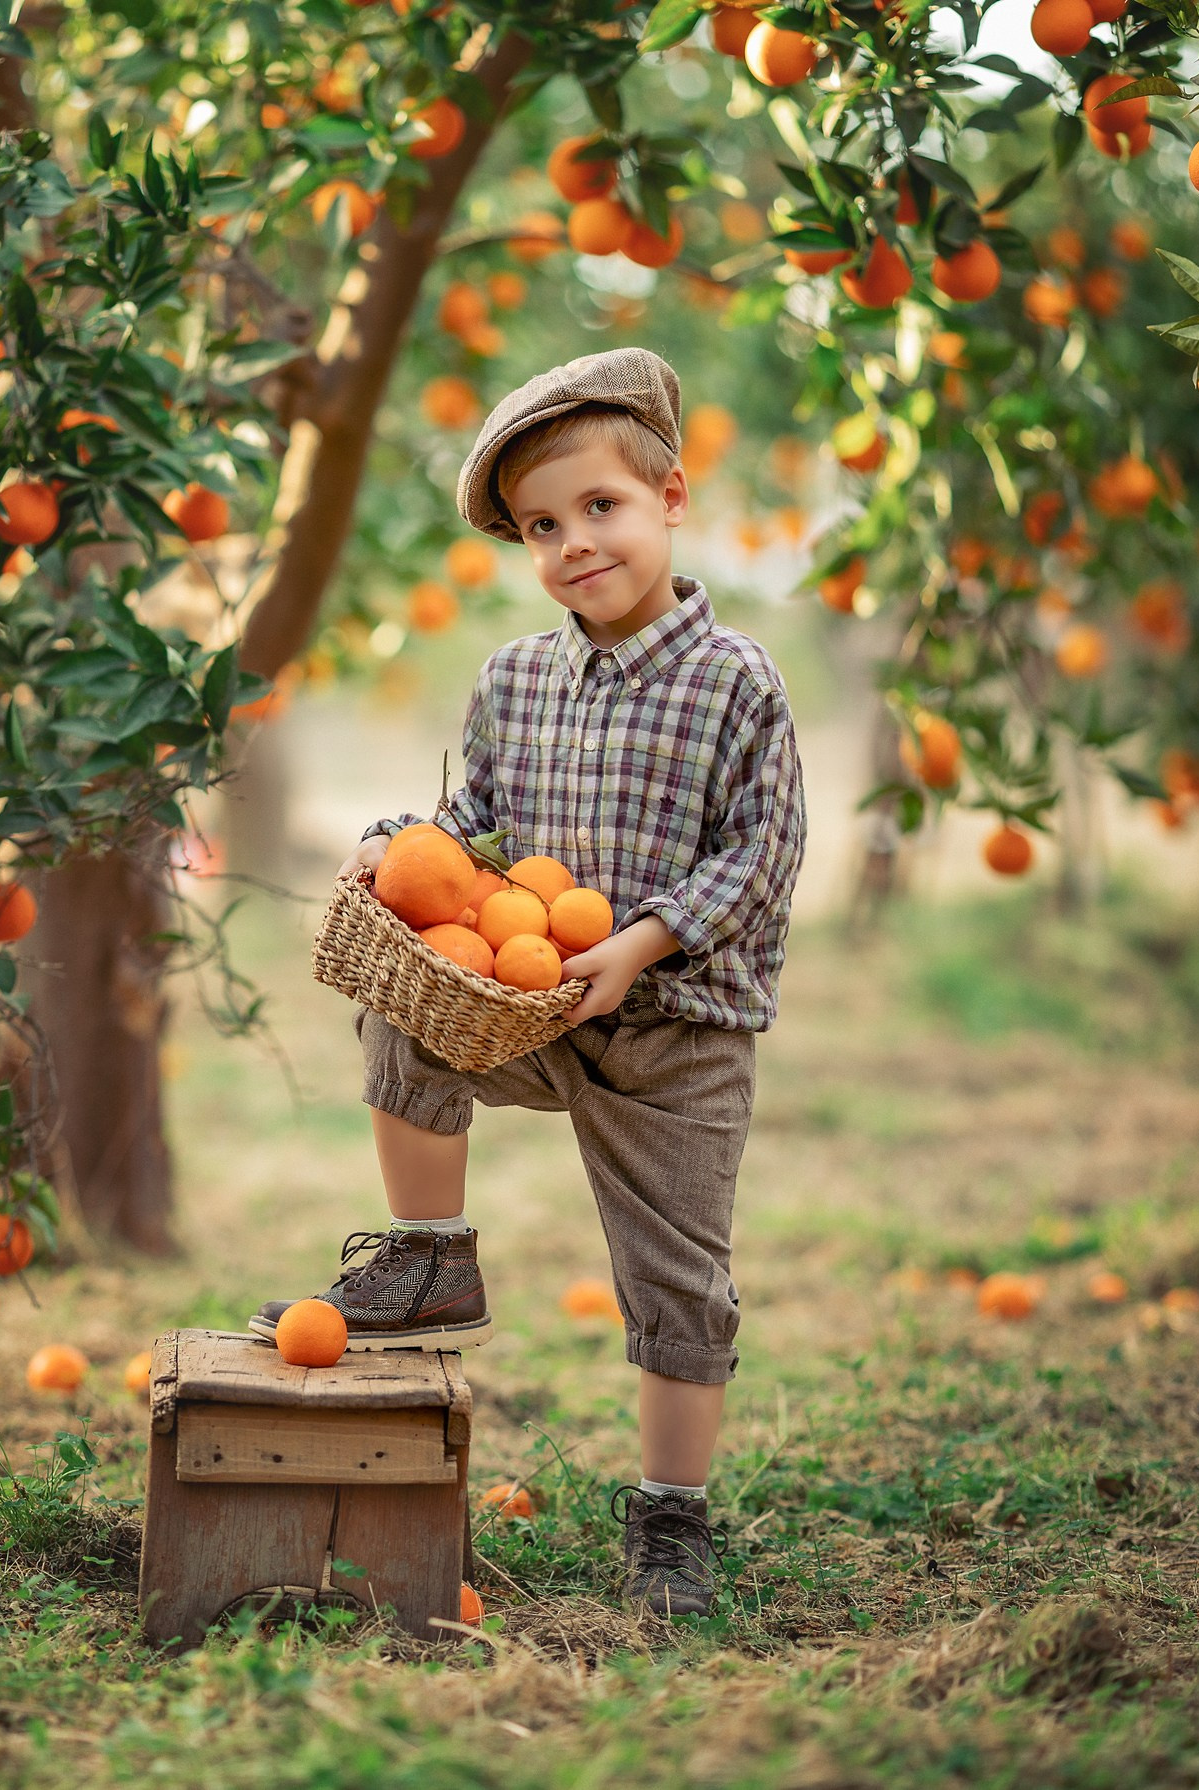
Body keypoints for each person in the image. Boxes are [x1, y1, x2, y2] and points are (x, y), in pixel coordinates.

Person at [251, 347, 806, 1618]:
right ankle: (429, 1257)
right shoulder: (513, 678)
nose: (572, 543)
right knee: (404, 1001)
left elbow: (761, 852)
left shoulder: (735, 681)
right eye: (542, 526)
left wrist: (643, 942)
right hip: (532, 1002)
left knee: (678, 1279)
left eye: (599, 506)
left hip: (676, 1033)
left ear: (670, 498)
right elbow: (471, 825)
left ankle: (670, 1518)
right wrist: (393, 843)